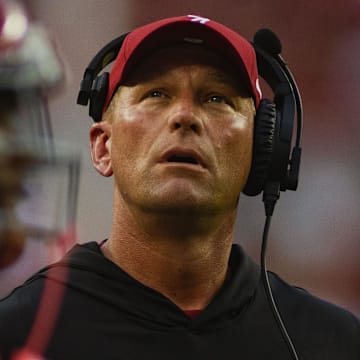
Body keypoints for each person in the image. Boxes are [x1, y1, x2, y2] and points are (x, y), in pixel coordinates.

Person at [0, 14, 359, 360]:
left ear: (263, 151)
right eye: (156, 94)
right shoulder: (18, 333)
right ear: (102, 146)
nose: (184, 116)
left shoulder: (335, 342)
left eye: (216, 98)